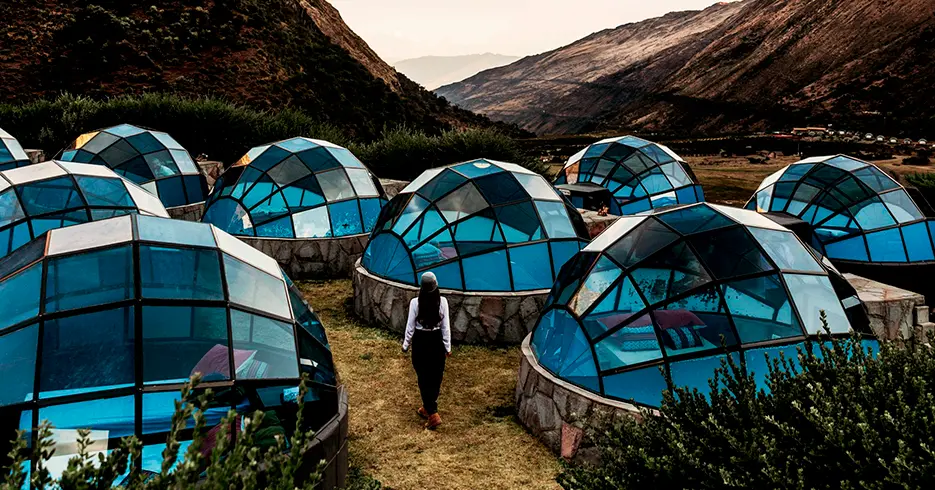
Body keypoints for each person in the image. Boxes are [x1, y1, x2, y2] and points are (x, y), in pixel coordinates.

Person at [402, 272, 451, 430]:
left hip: (421, 341)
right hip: (436, 341)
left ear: (421, 288)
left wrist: (405, 344)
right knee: (436, 376)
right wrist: (447, 347)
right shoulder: (443, 302)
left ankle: (433, 414)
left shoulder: (415, 303)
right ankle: (427, 407)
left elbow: (410, 326)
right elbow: (446, 327)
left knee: (423, 377)